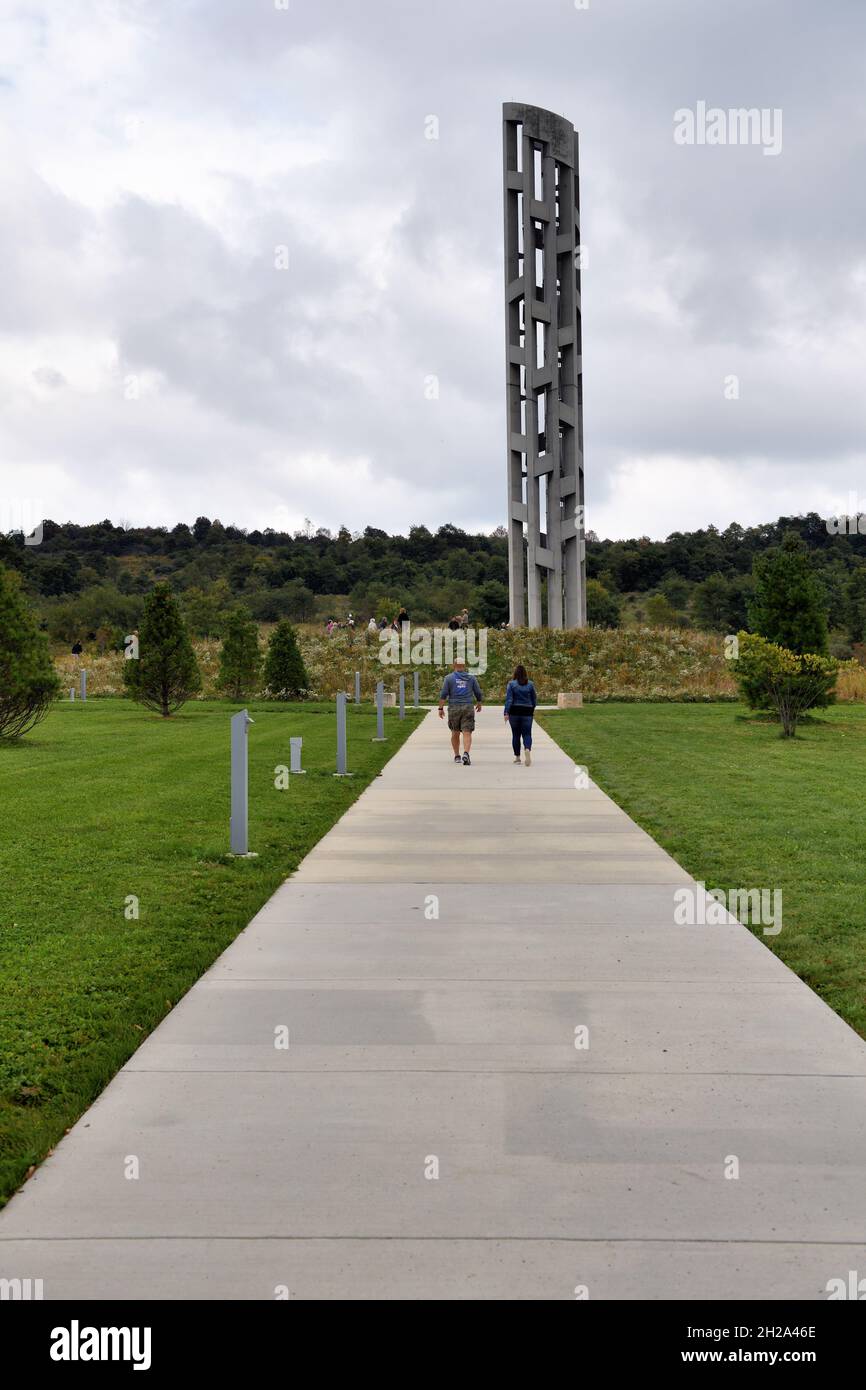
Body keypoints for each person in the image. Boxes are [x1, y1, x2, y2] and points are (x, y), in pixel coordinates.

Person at [438, 659, 483, 765]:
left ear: (454, 665)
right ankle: (466, 753)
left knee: (455, 732)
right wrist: (479, 702)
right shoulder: (471, 678)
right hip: (468, 707)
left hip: (454, 708)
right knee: (467, 732)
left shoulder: (448, 678)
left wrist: (440, 708)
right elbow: (478, 692)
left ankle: (457, 756)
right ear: (464, 666)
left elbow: (444, 694)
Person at [503, 664, 537, 766]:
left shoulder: (511, 684)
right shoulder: (530, 684)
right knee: (527, 734)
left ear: (515, 673)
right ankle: (527, 749)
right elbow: (534, 699)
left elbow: (509, 700)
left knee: (516, 735)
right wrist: (532, 708)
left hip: (514, 711)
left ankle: (517, 758)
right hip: (527, 711)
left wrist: (506, 712)